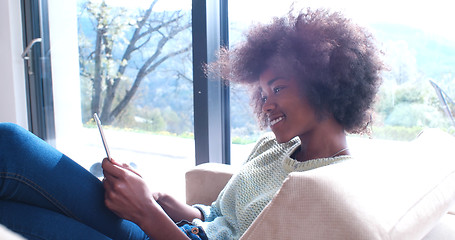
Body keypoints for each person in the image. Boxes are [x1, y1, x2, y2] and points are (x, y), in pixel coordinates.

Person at [0, 7, 383, 240]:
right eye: (262, 92)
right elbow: (217, 216)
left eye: (278, 88)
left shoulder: (325, 190)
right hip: (170, 228)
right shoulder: (275, 147)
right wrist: (157, 198)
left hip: (156, 235)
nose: (266, 104)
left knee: (10, 145)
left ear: (327, 84)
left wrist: (144, 213)